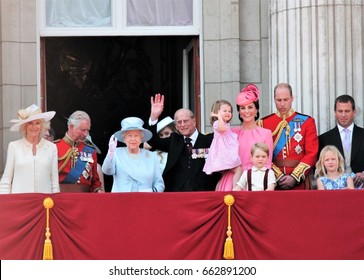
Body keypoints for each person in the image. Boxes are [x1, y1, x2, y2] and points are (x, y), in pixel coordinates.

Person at [147, 93, 221, 192]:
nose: (182, 125)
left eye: (185, 121)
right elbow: (153, 141)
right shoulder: (174, 140)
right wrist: (154, 117)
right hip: (176, 195)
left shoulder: (209, 140)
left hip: (203, 194)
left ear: (194, 121)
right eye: (179, 122)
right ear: (176, 126)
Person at [258, 83, 318, 190]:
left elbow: (312, 153)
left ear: (292, 98)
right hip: (273, 182)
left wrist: (295, 177)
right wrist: (278, 176)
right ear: (274, 99)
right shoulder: (264, 123)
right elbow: (261, 154)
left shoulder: (307, 122)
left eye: (285, 100)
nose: (282, 104)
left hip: (299, 182)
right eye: (279, 100)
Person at [217, 84, 274, 191]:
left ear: (256, 110)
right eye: (243, 108)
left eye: (250, 107)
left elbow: (267, 164)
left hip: (256, 181)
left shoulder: (266, 133)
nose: (246, 111)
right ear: (239, 111)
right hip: (232, 180)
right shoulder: (231, 133)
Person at [0, 104, 60, 194]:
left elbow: (54, 182)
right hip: (20, 202)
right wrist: (5, 202)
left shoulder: (51, 148)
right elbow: (6, 180)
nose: (34, 127)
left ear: (42, 126)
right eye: (30, 123)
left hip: (44, 202)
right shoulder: (14, 146)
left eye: (37, 123)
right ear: (24, 127)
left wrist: (55, 202)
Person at [102, 117, 165, 192]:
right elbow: (107, 171)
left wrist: (150, 192)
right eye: (129, 135)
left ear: (141, 138)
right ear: (124, 138)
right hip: (120, 201)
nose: (133, 139)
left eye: (136, 135)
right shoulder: (116, 153)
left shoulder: (152, 157)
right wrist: (110, 153)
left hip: (144, 201)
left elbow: (160, 185)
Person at [318, 94, 364, 188]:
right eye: (340, 111)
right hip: (335, 192)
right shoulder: (323, 138)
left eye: (347, 111)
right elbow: (318, 168)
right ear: (335, 112)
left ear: (354, 112)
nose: (343, 115)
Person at [55, 110, 103, 193]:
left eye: (88, 130)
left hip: (84, 199)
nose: (86, 134)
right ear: (71, 127)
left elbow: (95, 181)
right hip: (61, 197)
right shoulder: (54, 147)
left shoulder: (90, 151)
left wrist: (97, 189)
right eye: (83, 130)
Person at [203, 100, 242, 190]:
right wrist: (219, 118)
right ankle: (236, 187)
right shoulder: (217, 123)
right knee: (238, 170)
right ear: (217, 112)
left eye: (229, 111)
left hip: (226, 152)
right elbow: (222, 129)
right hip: (223, 154)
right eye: (225, 111)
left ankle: (218, 189)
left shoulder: (225, 123)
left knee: (224, 175)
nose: (228, 113)